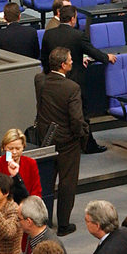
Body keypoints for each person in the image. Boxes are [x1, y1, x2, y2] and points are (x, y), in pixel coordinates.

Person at [40, 5, 116, 153]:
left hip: (54, 80)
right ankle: (88, 145)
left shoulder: (48, 34)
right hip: (75, 81)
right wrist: (107, 57)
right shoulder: (78, 35)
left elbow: (44, 58)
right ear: (73, 19)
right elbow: (93, 51)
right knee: (81, 113)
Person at [35, 48, 88, 235]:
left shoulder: (39, 81)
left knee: (46, 182)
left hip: (46, 141)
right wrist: (81, 134)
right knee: (67, 183)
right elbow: (76, 119)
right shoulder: (72, 88)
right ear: (64, 65)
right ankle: (63, 224)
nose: (72, 62)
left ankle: (44, 221)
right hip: (68, 142)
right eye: (70, 59)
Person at [0, 127, 41, 201]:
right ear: (4, 147)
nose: (14, 152)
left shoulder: (31, 163)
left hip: (26, 205)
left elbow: (37, 190)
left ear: (23, 147)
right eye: (10, 149)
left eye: (18, 148)